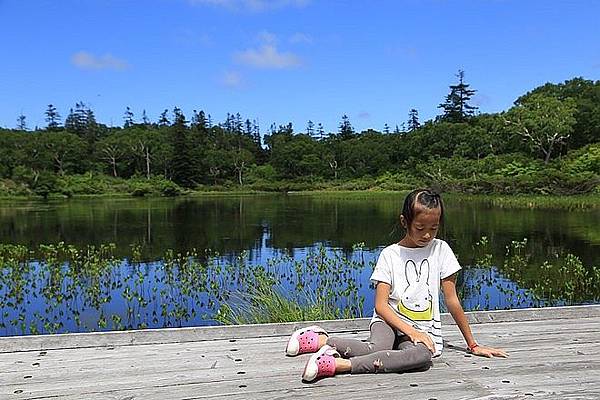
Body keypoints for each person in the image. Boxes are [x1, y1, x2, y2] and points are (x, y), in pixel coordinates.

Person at [285, 188, 508, 382]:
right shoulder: (390, 255)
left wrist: (473, 345)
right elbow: (381, 306)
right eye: (420, 228)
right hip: (388, 321)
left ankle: (338, 364)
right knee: (378, 348)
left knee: (422, 357)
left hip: (422, 328)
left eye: (434, 228)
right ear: (405, 222)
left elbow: (452, 300)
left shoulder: (441, 250)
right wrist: (410, 331)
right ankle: (321, 339)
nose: (427, 235)